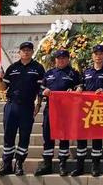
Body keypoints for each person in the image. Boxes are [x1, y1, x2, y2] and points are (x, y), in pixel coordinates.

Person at [0, 42, 45, 176]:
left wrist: (38, 105)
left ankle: (19, 163)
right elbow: (3, 88)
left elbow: (41, 90)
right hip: (11, 106)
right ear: (19, 52)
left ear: (32, 52)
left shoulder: (38, 68)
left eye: (29, 50)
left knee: (24, 136)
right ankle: (6, 164)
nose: (26, 52)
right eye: (24, 50)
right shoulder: (12, 68)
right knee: (8, 136)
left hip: (27, 107)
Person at [34, 49, 81, 177]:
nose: (61, 60)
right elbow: (41, 89)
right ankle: (47, 164)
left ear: (68, 59)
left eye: (64, 58)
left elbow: (80, 88)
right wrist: (43, 93)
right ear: (55, 60)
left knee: (64, 137)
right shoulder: (49, 73)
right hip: (50, 109)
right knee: (47, 135)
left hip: (66, 111)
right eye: (59, 58)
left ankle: (62, 164)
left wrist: (76, 89)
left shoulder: (73, 73)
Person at [71, 44, 103, 177]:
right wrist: (78, 89)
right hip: (85, 109)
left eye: (101, 53)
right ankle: (80, 166)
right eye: (96, 53)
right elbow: (81, 85)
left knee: (97, 138)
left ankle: (95, 166)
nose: (98, 56)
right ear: (92, 56)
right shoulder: (86, 72)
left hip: (100, 109)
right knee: (82, 138)